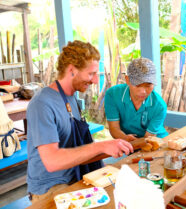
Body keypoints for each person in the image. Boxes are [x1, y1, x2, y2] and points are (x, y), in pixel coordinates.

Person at [26, 40, 133, 203]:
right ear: (71, 70)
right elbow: (52, 162)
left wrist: (116, 145)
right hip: (51, 187)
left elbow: (78, 151)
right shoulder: (42, 103)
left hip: (75, 175)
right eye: (91, 74)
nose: (96, 80)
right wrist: (101, 146)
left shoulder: (71, 98)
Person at [104, 57, 168, 142]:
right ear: (127, 80)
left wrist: (135, 143)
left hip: (156, 141)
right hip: (128, 142)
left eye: (148, 86)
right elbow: (114, 128)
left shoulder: (159, 106)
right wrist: (125, 138)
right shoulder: (113, 95)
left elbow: (148, 139)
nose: (143, 91)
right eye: (138, 85)